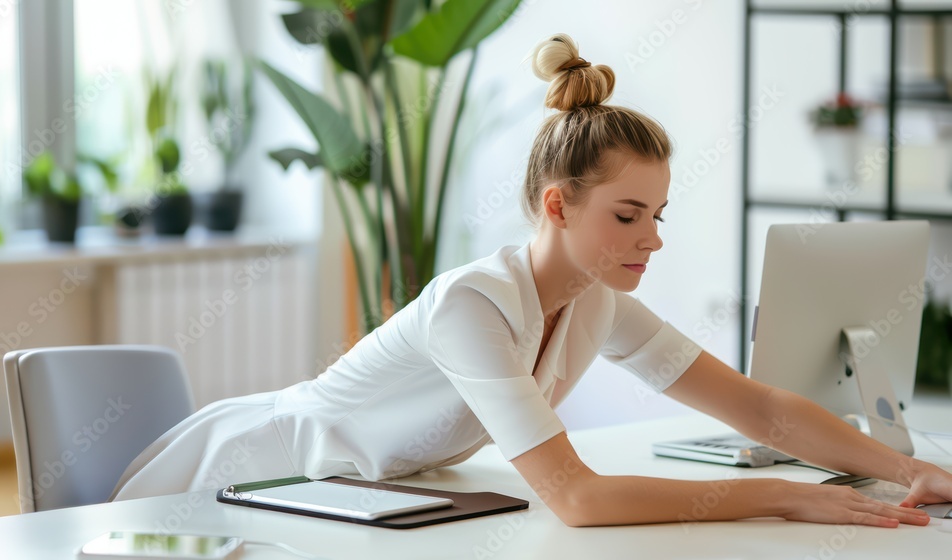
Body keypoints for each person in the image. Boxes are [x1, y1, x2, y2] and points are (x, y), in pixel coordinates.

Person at [110, 33, 952, 528]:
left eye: (658, 215)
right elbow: (575, 498)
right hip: (248, 485)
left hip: (351, 504)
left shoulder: (597, 304)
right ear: (557, 204)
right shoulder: (474, 305)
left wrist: (902, 468)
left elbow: (759, 407)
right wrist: (779, 497)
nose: (652, 238)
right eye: (627, 216)